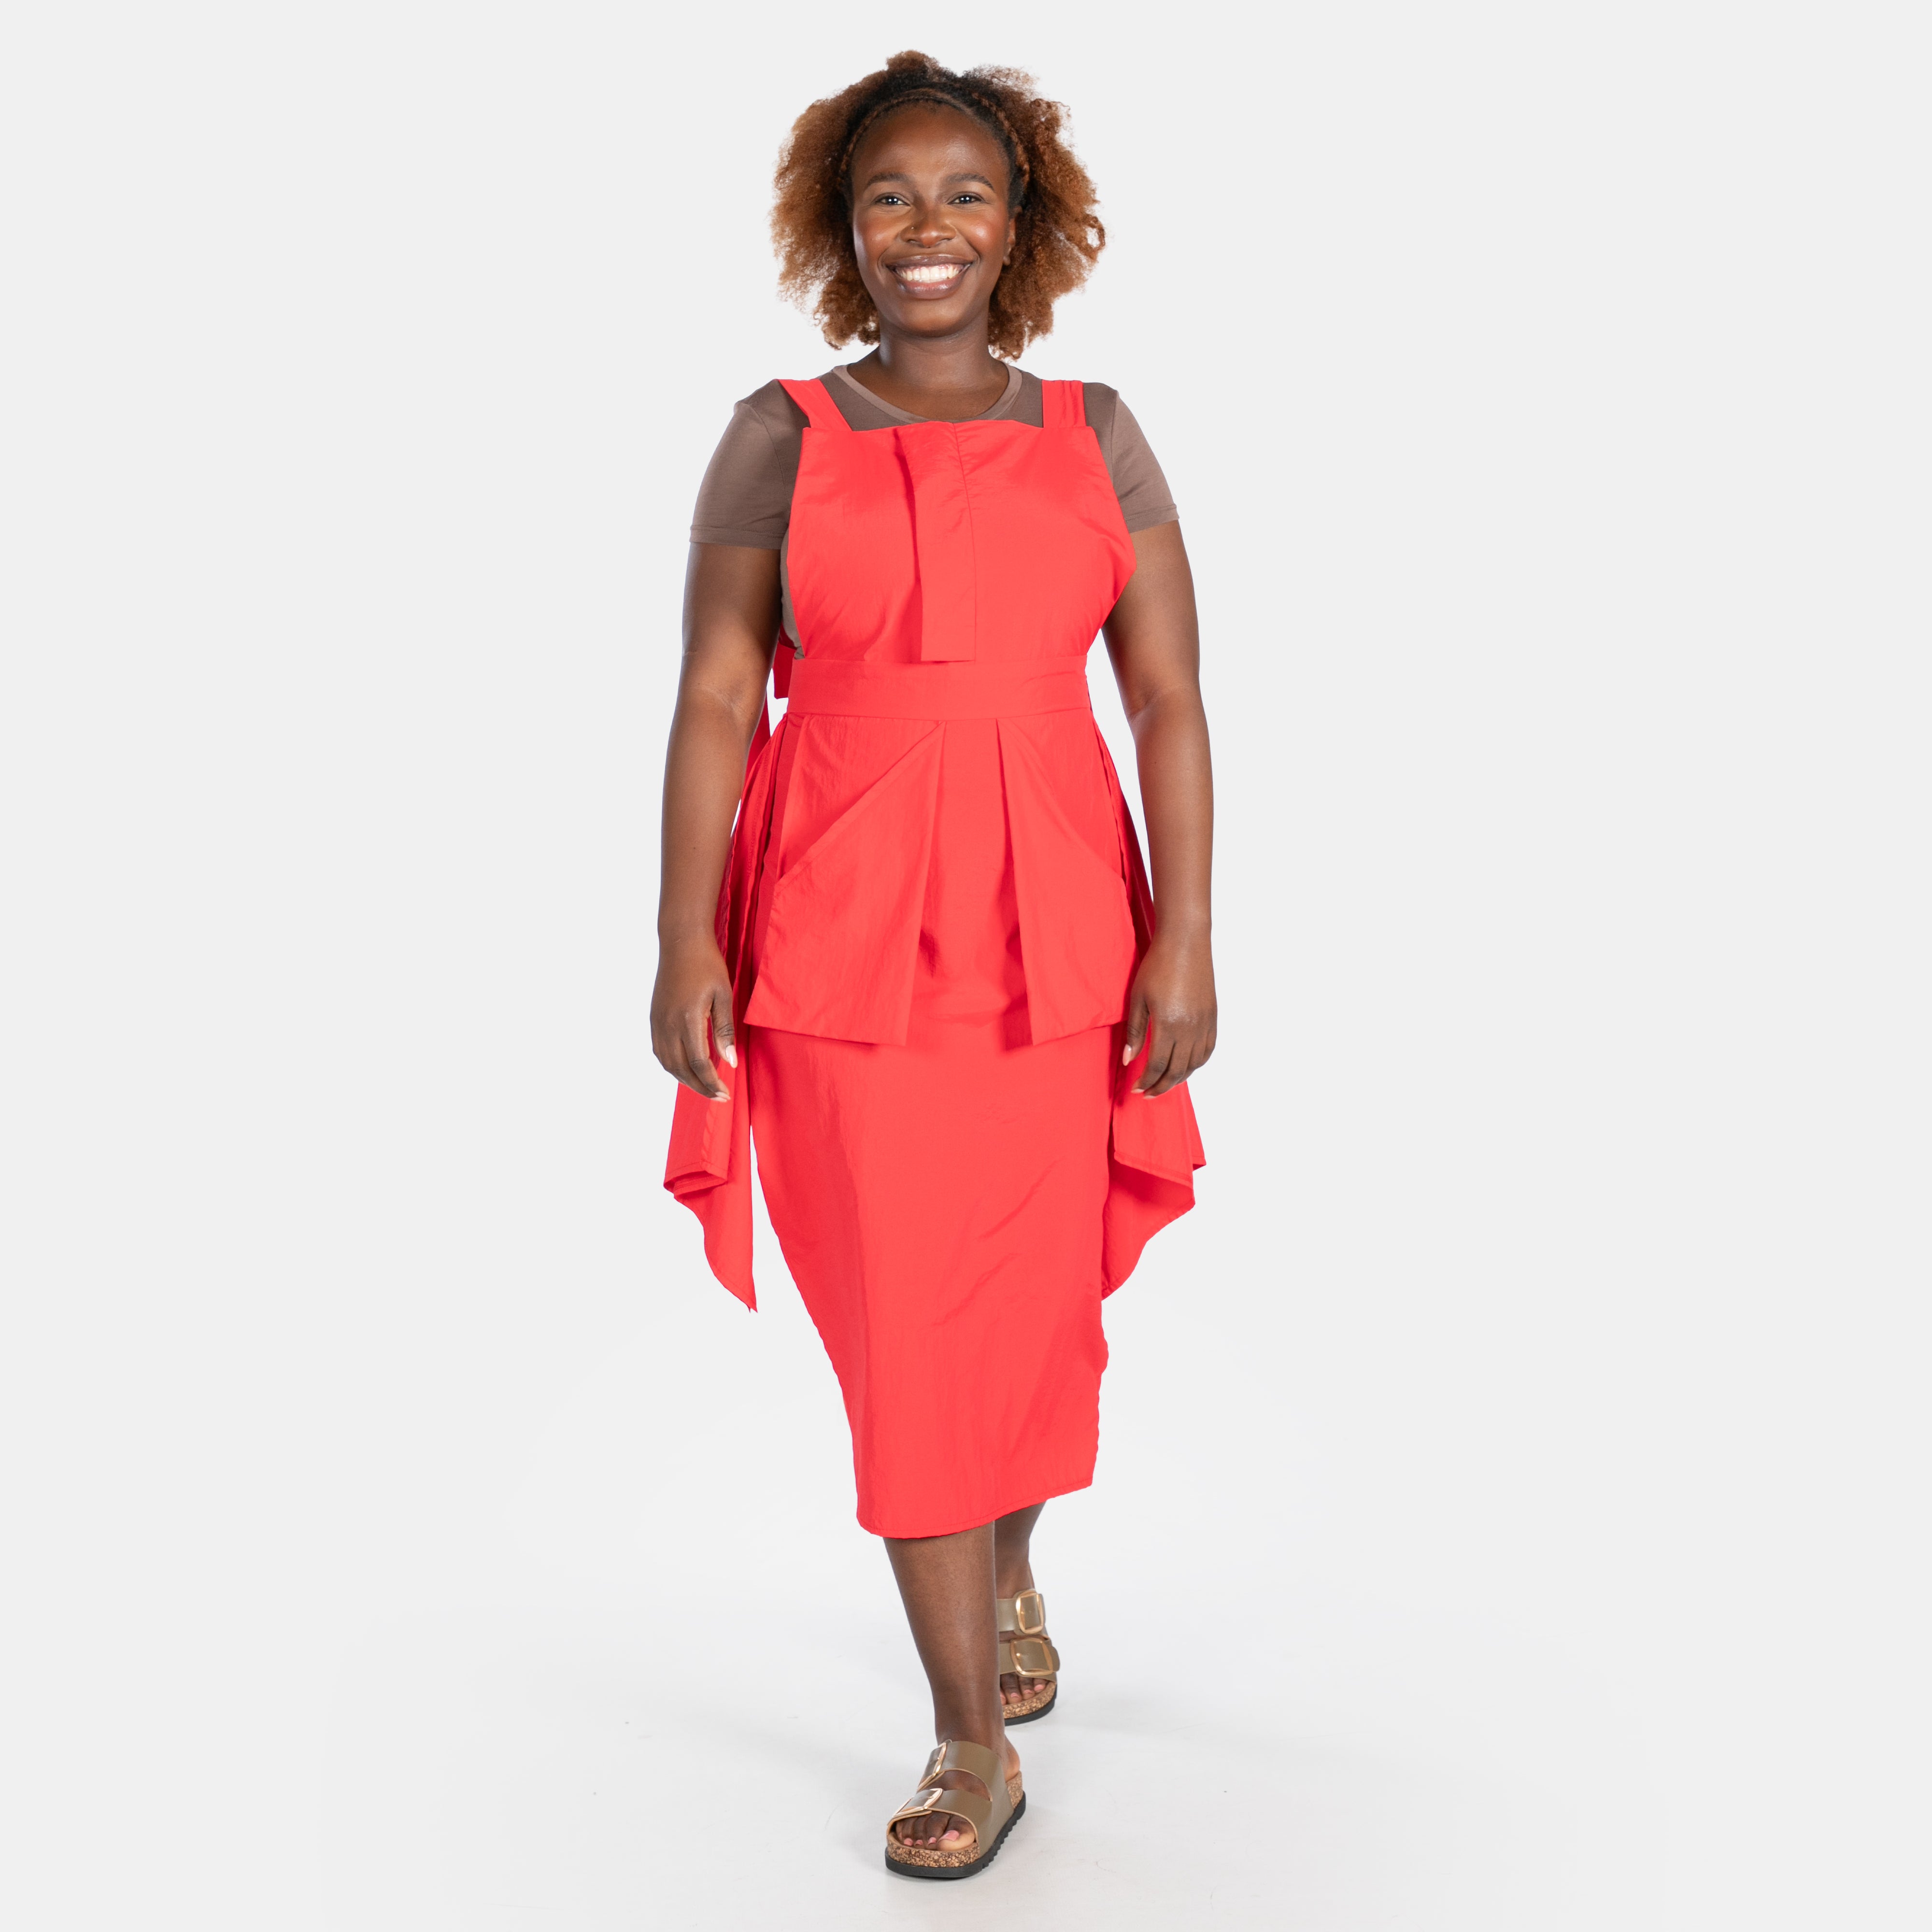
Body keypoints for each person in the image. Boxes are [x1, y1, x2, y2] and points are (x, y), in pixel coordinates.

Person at [653, 50, 1214, 1878]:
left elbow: (1166, 696)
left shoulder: (1098, 431)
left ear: (1020, 223)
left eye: (966, 193)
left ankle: (1011, 1567)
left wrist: (1190, 931)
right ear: (842, 226)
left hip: (1057, 927)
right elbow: (720, 694)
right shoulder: (777, 434)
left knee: (1033, 1309)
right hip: (840, 928)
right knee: (908, 1334)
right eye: (889, 196)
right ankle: (974, 1739)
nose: (928, 229)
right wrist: (680, 931)